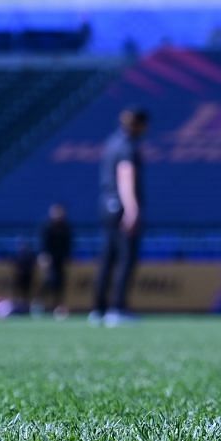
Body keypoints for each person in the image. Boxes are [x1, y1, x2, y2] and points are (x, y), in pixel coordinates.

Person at [92, 106, 149, 326]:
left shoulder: (112, 142)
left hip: (106, 205)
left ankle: (99, 310)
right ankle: (117, 308)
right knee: (126, 259)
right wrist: (132, 209)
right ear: (138, 124)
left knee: (107, 258)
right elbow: (126, 176)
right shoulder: (128, 145)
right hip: (121, 206)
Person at [36, 203, 73, 318]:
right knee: (50, 280)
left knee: (60, 283)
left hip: (60, 259)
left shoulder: (66, 227)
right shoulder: (47, 226)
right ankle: (38, 303)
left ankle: (57, 306)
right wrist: (43, 257)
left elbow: (68, 244)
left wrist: (67, 256)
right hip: (49, 259)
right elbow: (43, 244)